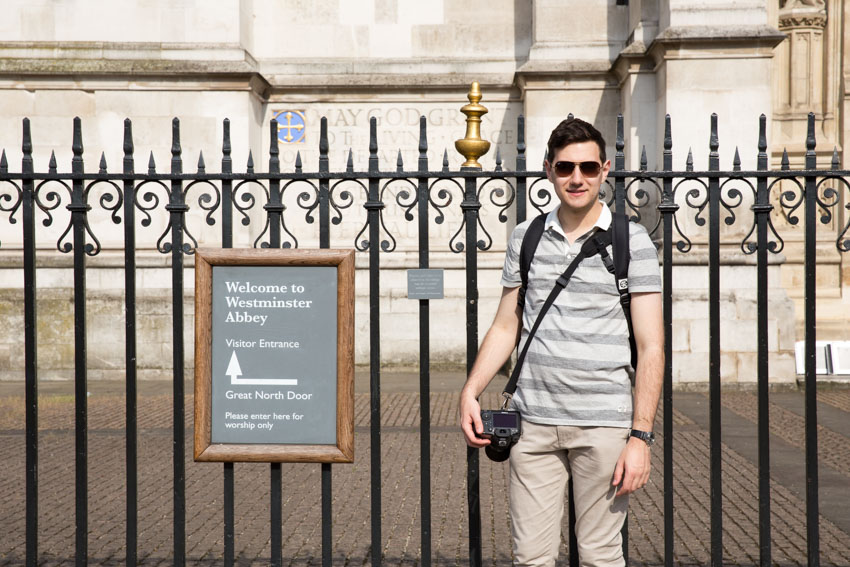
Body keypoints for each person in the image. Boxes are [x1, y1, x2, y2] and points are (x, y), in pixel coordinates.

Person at [459, 117, 664, 567]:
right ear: (549, 169)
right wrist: (470, 390)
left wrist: (641, 437)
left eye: (589, 168)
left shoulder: (631, 242)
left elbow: (651, 347)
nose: (577, 178)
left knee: (599, 557)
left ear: (605, 170)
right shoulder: (526, 237)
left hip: (605, 426)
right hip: (532, 425)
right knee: (530, 557)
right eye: (566, 167)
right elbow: (504, 326)